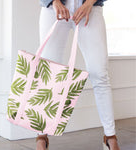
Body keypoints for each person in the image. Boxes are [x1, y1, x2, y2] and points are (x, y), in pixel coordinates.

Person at [36, 0, 121, 150]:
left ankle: (110, 136)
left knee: (99, 73)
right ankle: (41, 136)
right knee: (48, 74)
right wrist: (54, 1)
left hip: (90, 8)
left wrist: (89, 3)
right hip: (53, 9)